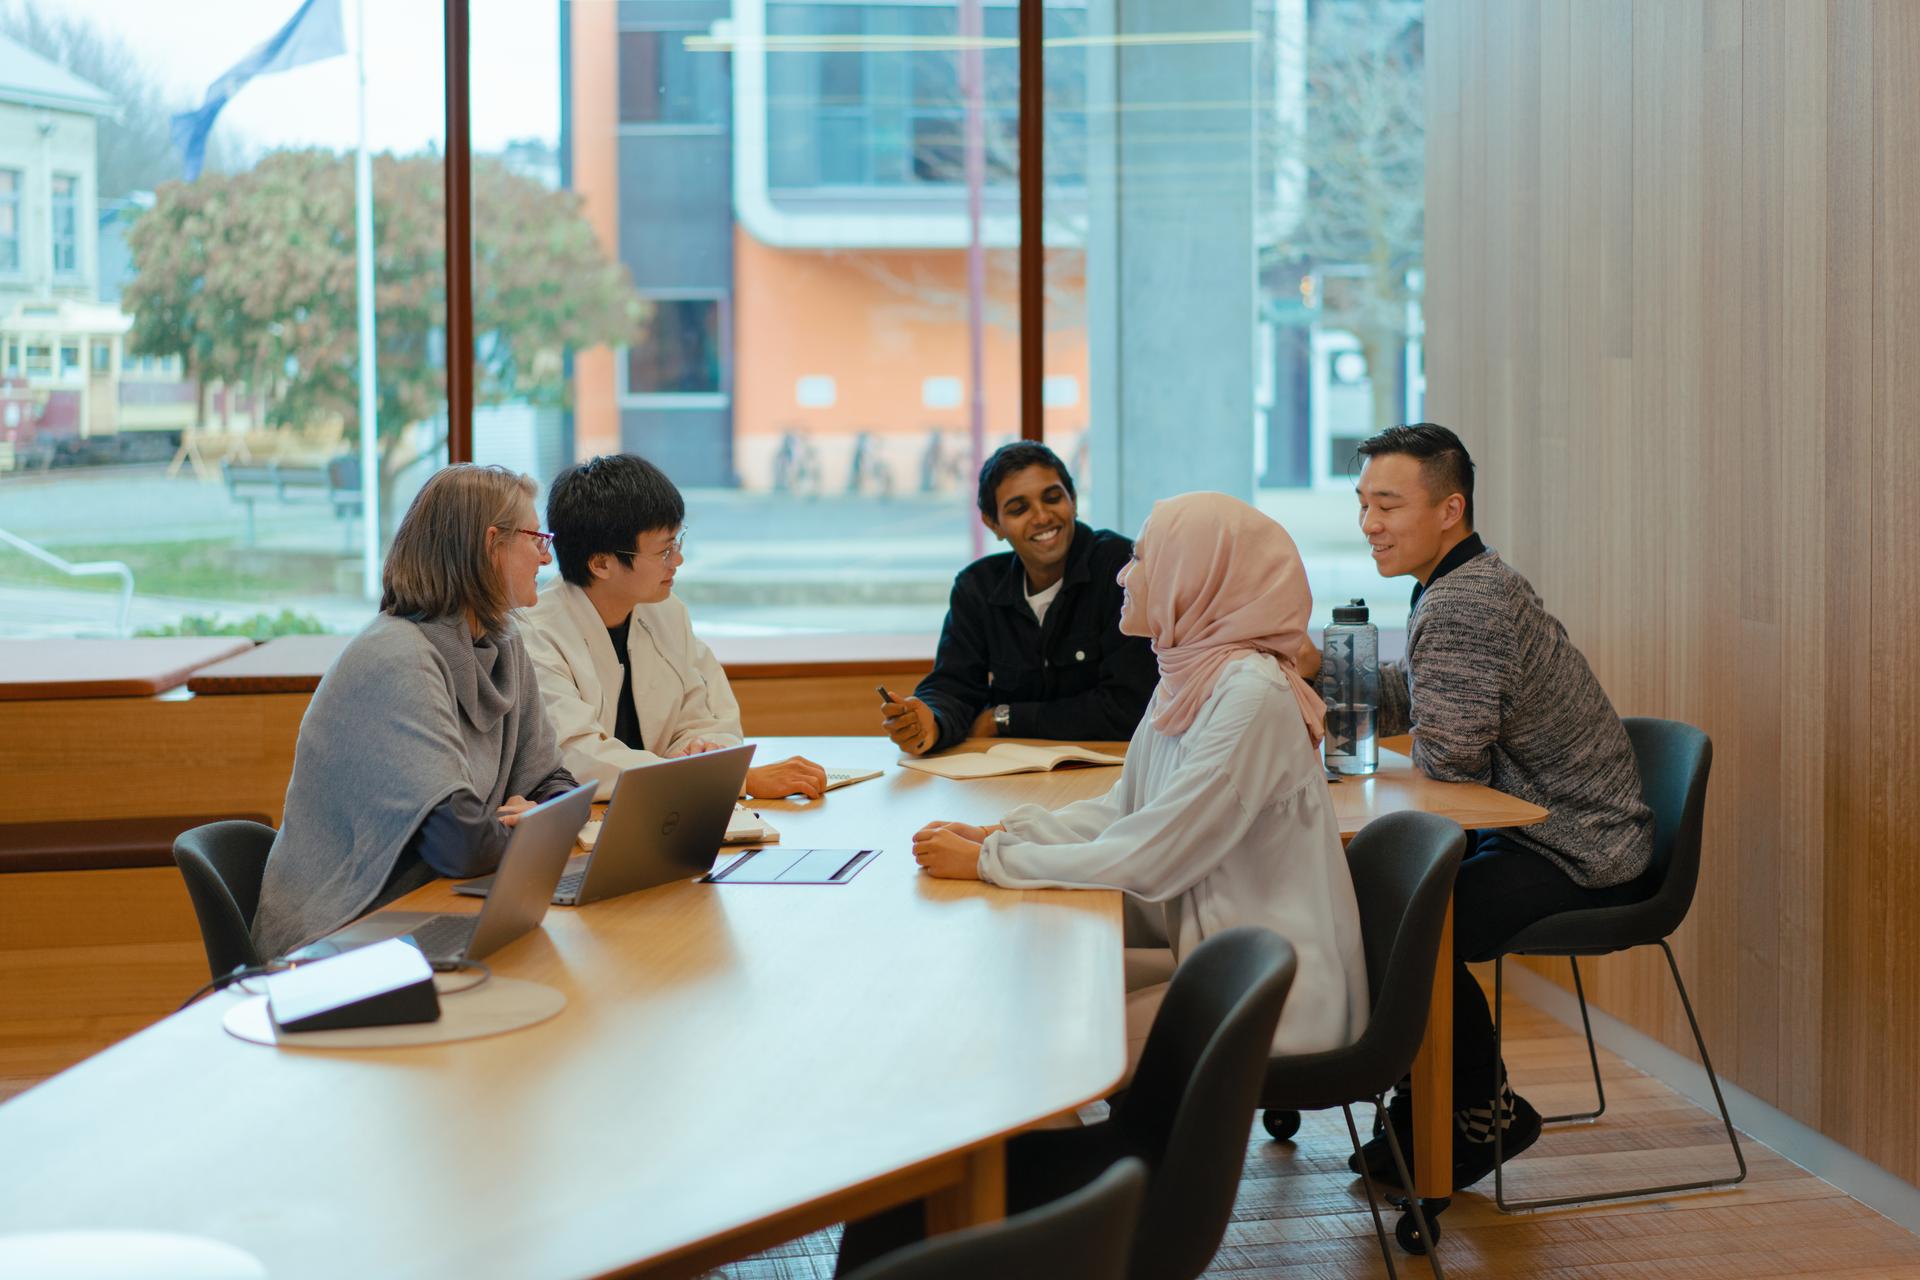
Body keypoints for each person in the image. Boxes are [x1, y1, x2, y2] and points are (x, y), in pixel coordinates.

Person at [1306, 423, 1655, 1190]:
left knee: (1399, 917)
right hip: (1540, 830)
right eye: (1364, 505)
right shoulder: (1459, 582)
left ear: (1449, 508)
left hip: (1578, 846)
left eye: (1388, 506)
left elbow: (1451, 768)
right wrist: (1320, 666)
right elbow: (1422, 703)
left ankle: (1474, 1111)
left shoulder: (1463, 600)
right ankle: (1432, 1103)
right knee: (1383, 904)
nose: (1369, 525)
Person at [908, 491, 1369, 1069]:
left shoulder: (1251, 695)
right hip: (1220, 961)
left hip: (1274, 991)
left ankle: (1096, 1160)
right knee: (1024, 986)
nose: (1123, 575)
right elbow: (1124, 810)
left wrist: (988, 861)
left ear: (1192, 576)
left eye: (1144, 559)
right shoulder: (1189, 672)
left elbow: (1154, 853)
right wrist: (1003, 831)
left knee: (1045, 1045)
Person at [251, 464, 581, 960]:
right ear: (491, 545)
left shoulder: (501, 644)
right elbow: (461, 845)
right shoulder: (395, 657)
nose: (546, 556)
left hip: (426, 908)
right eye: (536, 539)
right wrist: (533, 829)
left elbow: (554, 781)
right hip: (338, 936)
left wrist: (540, 814)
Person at [521, 453, 827, 802]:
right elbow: (579, 759)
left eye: (676, 542)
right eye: (665, 551)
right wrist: (730, 779)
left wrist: (700, 749)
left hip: (668, 812)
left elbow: (709, 713)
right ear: (602, 563)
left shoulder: (665, 612)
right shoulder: (536, 636)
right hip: (585, 827)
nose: (678, 560)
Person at [880, 441, 1156, 755]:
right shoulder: (977, 587)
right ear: (993, 523)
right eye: (1018, 508)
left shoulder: (1120, 568)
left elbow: (1130, 708)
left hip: (1114, 769)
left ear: (1074, 501)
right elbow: (954, 685)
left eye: (1053, 498)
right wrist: (931, 720)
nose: (1041, 516)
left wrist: (1005, 718)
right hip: (1013, 776)